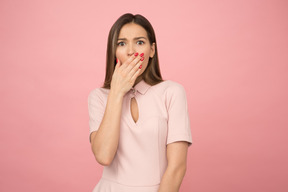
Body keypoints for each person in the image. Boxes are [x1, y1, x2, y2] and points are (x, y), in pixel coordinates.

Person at [88, 13, 192, 192]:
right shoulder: (98, 97)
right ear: (113, 52)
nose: (130, 51)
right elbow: (104, 156)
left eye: (140, 42)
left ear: (152, 50)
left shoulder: (172, 92)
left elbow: (177, 168)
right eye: (121, 43)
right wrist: (116, 92)